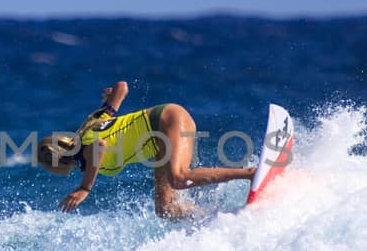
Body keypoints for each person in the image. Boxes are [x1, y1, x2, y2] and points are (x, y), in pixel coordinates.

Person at [36, 81, 254, 219]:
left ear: (57, 162)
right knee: (166, 209)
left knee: (178, 177)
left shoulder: (85, 147)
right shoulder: (92, 124)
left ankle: (250, 174)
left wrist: (85, 188)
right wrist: (111, 94)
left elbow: (99, 147)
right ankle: (219, 218)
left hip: (165, 121)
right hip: (158, 141)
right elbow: (122, 87)